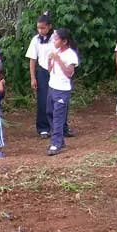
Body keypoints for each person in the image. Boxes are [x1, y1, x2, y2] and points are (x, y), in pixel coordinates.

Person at [46, 28, 79, 156]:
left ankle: (55, 143)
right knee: (50, 113)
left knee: (58, 117)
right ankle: (60, 139)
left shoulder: (70, 55)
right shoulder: (57, 51)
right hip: (52, 86)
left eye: (56, 39)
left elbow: (69, 73)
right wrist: (50, 60)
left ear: (64, 41)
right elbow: (50, 70)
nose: (54, 41)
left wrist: (58, 59)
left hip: (62, 90)